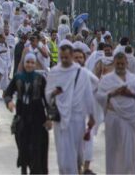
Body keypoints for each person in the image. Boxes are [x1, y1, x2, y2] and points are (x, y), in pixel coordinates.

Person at [46, 44, 96, 175]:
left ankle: (77, 169)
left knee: (77, 153)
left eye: (66, 57)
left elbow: (88, 95)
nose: (64, 60)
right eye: (62, 57)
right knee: (63, 156)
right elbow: (47, 94)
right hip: (60, 119)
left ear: (71, 56)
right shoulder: (54, 72)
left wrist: (92, 116)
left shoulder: (82, 73)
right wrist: (54, 93)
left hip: (77, 118)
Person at [95, 52, 135, 174]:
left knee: (129, 151)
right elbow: (99, 96)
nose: (120, 66)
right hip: (113, 118)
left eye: (122, 63)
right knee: (113, 150)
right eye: (118, 63)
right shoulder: (107, 80)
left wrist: (131, 94)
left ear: (126, 63)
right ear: (114, 63)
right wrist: (113, 93)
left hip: (130, 120)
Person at [3, 53, 50, 175]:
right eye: (27, 62)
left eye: (32, 63)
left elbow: (47, 99)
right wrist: (9, 102)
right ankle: (24, 168)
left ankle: (35, 171)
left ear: (35, 64)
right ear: (24, 63)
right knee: (23, 147)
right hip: (22, 117)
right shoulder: (18, 77)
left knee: (37, 148)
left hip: (38, 119)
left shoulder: (40, 79)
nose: (29, 65)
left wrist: (49, 117)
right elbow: (7, 93)